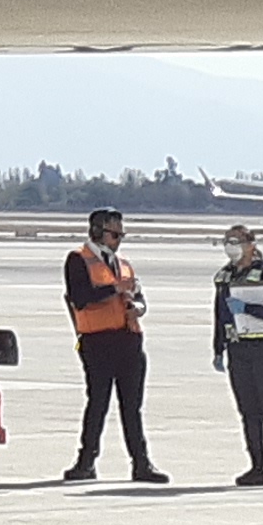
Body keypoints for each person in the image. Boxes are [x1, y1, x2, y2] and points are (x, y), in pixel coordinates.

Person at [61, 205, 165, 483]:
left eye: (122, 235)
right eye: (114, 234)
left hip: (128, 338)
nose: (119, 240)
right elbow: (80, 297)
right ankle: (86, 462)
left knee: (132, 406)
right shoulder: (78, 260)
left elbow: (140, 295)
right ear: (97, 232)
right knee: (98, 403)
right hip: (97, 340)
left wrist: (138, 308)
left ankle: (141, 463)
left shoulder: (124, 264)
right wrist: (113, 290)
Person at [213, 222, 263, 488]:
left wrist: (247, 308)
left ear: (250, 244)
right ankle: (257, 467)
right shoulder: (225, 276)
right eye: (227, 241)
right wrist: (219, 348)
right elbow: (220, 315)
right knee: (249, 411)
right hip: (239, 348)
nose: (230, 247)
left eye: (236, 241)